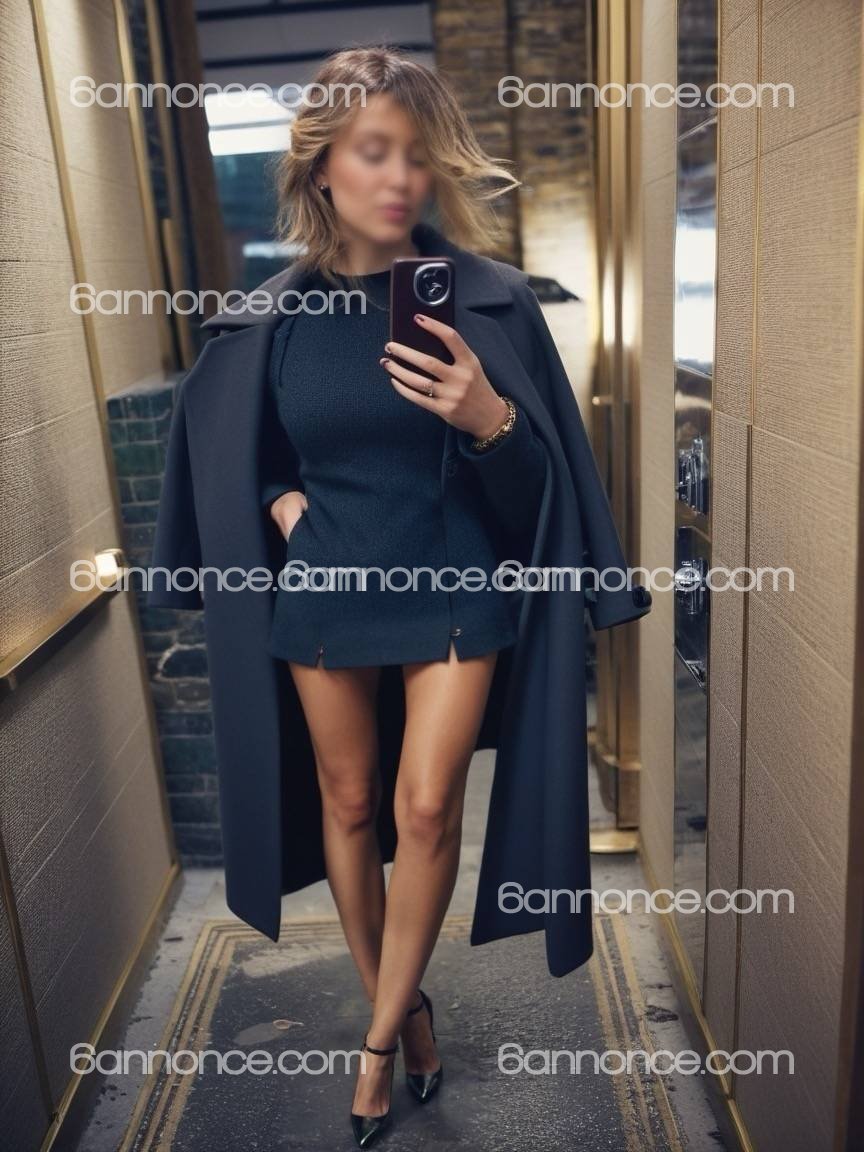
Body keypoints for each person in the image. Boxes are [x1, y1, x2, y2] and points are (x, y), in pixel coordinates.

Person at [263, 45, 547, 1147]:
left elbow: (543, 499)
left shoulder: (490, 301)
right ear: (321, 165)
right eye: (374, 151)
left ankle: (377, 1043)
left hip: (453, 576)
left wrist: (487, 419)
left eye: (417, 157)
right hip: (329, 584)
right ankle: (409, 1006)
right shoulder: (275, 317)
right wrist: (286, 506)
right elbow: (246, 453)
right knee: (348, 805)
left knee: (425, 809)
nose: (399, 178)